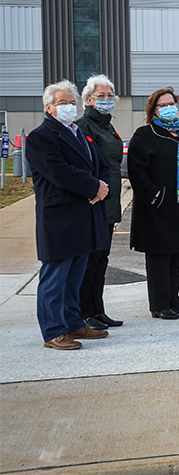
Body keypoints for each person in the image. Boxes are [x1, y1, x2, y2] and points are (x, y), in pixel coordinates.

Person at [26, 80, 111, 350]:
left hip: (84, 213)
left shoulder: (79, 133)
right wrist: (93, 186)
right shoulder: (41, 137)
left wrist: (103, 186)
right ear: (49, 108)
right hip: (60, 218)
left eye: (72, 102)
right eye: (62, 103)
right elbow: (58, 171)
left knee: (75, 276)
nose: (68, 107)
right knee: (55, 278)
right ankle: (52, 331)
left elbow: (101, 164)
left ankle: (74, 322)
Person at [128, 86, 179, 320]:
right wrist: (156, 196)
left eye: (171, 103)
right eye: (163, 105)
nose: (168, 108)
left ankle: (174, 300)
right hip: (157, 208)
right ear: (153, 109)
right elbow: (137, 172)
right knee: (159, 259)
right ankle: (159, 304)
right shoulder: (145, 134)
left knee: (175, 257)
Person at [75, 75, 124, 330]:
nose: (106, 100)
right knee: (90, 262)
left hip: (110, 204)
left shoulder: (107, 126)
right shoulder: (84, 126)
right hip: (93, 204)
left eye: (109, 95)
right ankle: (84, 312)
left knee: (102, 260)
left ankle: (98, 309)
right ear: (89, 99)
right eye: (101, 96)